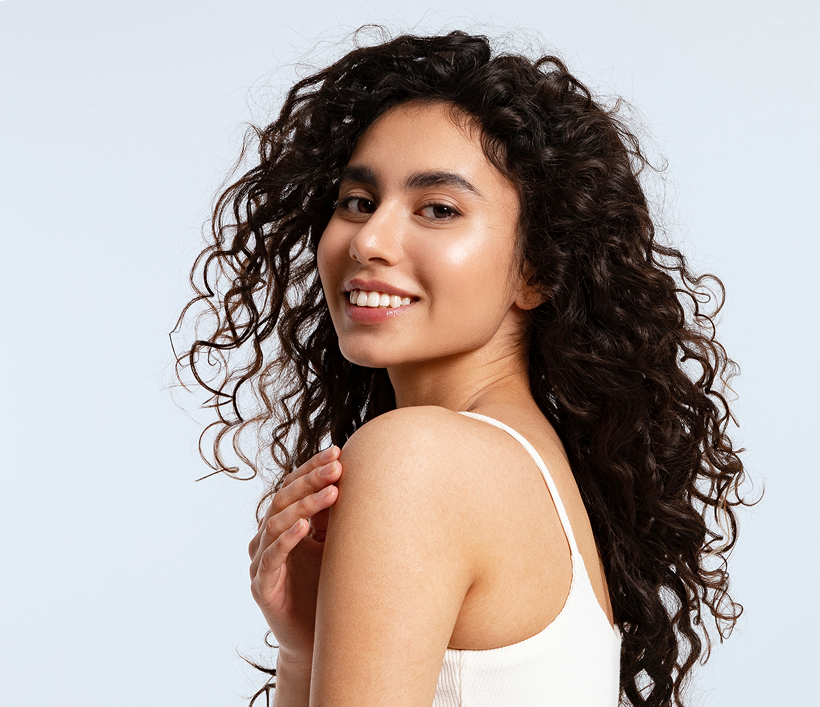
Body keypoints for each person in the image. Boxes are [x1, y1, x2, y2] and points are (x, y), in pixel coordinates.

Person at [175, 29, 750, 707]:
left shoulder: (419, 456)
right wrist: (304, 649)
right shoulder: (529, 463)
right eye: (358, 200)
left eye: (438, 209)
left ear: (537, 269)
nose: (370, 240)